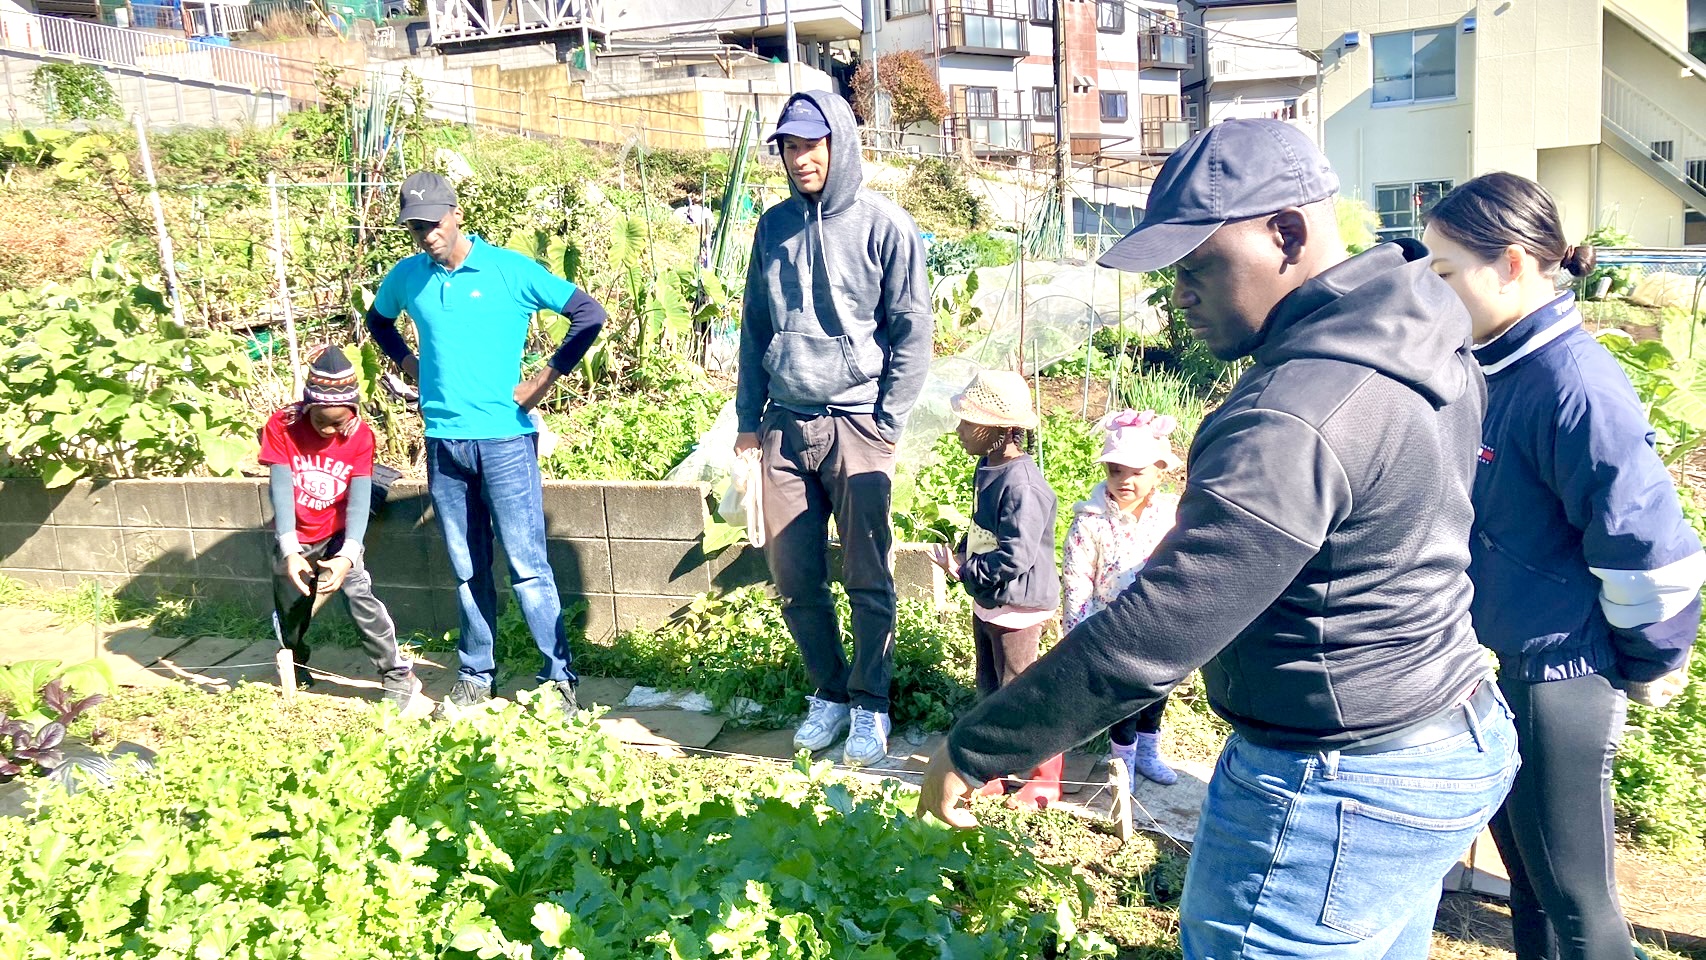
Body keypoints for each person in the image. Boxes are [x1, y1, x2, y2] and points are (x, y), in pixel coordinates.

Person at [916, 119, 1519, 960]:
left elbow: (1157, 629)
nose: (1178, 296)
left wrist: (977, 745)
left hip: (1336, 778)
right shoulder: (1425, 340)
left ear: (1287, 233)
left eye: (1198, 266)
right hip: (1447, 729)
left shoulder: (1293, 413)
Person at [1422, 172, 1703, 960]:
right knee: (1536, 895)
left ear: (1512, 264)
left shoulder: (1573, 384)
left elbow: (1653, 545)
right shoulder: (1498, 367)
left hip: (1560, 676)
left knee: (1580, 905)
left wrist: (1650, 657)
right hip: (1508, 667)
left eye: (1447, 274)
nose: (1437, 296)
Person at [733, 91, 933, 767]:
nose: (801, 158)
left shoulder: (885, 225)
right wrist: (748, 422)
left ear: (839, 142)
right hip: (786, 423)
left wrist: (887, 420)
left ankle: (872, 705)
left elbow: (912, 330)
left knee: (868, 575)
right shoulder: (772, 227)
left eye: (812, 144)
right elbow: (755, 326)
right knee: (793, 577)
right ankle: (830, 692)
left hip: (857, 424)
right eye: (790, 147)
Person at [367, 170, 608, 716]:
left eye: (433, 222)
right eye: (415, 226)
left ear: (455, 213)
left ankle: (559, 680)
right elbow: (378, 323)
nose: (426, 234)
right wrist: (408, 362)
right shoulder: (408, 277)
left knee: (527, 567)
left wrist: (543, 380)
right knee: (466, 564)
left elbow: (588, 314)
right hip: (443, 442)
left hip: (503, 440)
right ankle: (476, 674)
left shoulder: (506, 270)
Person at [259, 345, 419, 712]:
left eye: (340, 421)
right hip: (295, 533)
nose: (332, 430)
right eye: (322, 422)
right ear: (309, 406)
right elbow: (280, 488)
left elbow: (360, 499)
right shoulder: (282, 426)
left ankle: (397, 675)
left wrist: (348, 555)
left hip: (338, 533)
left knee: (358, 595)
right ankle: (295, 659)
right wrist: (289, 549)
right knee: (291, 608)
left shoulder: (360, 436)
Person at [928, 370, 1062, 807]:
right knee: (989, 688)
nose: (960, 429)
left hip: (1017, 605)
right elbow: (983, 530)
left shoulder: (1023, 486)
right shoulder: (987, 467)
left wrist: (968, 572)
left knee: (1019, 691)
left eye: (968, 422)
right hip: (990, 600)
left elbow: (1015, 557)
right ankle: (995, 770)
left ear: (999, 431)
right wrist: (964, 558)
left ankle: (1042, 777)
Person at [1061, 410, 1183, 788]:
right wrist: (1078, 637)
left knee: (1156, 694)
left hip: (1160, 625)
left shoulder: (1171, 517)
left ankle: (1148, 753)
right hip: (1112, 631)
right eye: (1115, 470)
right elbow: (1077, 582)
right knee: (1122, 703)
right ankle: (1122, 763)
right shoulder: (1092, 522)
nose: (1124, 480)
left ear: (1159, 471)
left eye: (1136, 471)